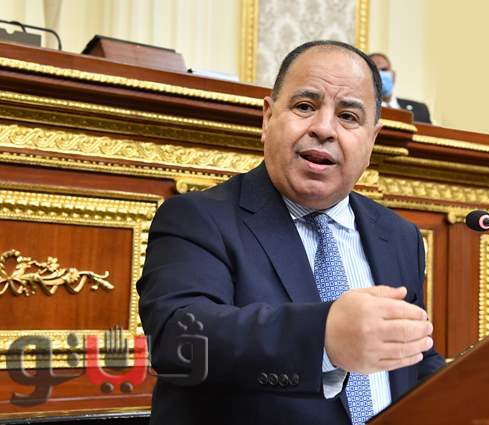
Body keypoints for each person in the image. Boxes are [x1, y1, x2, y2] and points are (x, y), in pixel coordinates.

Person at [137, 40, 445, 425]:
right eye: (304, 107)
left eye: (349, 116)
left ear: (372, 139)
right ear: (268, 119)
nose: (324, 129)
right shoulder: (196, 218)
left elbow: (410, 356)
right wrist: (324, 339)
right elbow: (181, 341)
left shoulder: (399, 236)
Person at [368, 52, 432, 124]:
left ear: (394, 75)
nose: (380, 75)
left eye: (384, 69)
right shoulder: (364, 110)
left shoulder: (420, 110)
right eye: (374, 71)